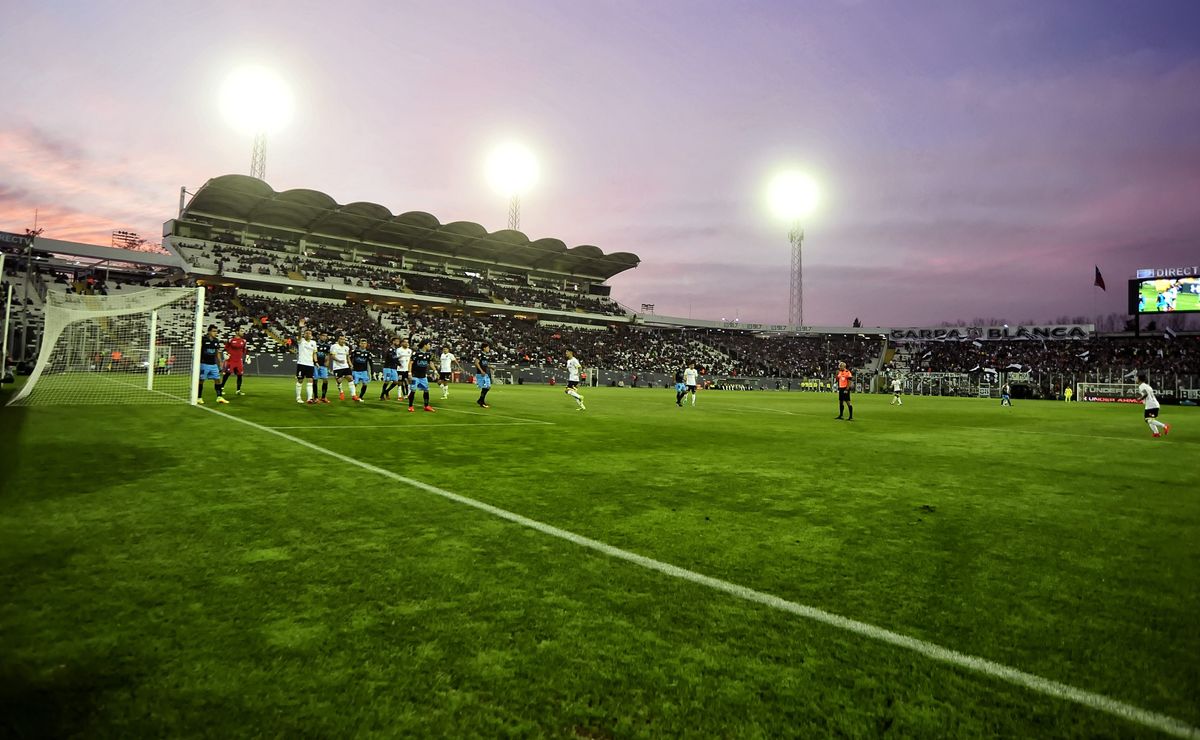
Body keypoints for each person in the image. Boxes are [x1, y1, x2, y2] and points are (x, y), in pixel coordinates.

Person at [198, 325, 229, 404]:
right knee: (201, 380)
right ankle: (199, 397)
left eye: (216, 331)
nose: (215, 333)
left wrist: (220, 362)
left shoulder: (216, 340)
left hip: (213, 364)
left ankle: (219, 397)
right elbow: (199, 350)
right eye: (213, 331)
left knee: (217, 379)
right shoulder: (203, 339)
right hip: (204, 363)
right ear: (209, 332)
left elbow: (217, 352)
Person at [407, 338, 436, 412]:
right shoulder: (416, 353)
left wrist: (435, 371)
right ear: (425, 345)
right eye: (429, 344)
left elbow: (431, 363)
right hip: (415, 375)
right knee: (413, 390)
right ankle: (410, 406)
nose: (430, 346)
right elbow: (410, 363)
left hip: (423, 376)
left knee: (426, 390)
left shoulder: (429, 354)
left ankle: (426, 406)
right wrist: (409, 373)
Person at [294, 320, 319, 404]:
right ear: (304, 334)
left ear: (311, 335)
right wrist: (300, 328)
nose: (308, 334)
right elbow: (299, 335)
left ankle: (309, 398)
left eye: (309, 333)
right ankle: (298, 397)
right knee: (300, 380)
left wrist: (316, 362)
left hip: (310, 364)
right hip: (301, 363)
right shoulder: (301, 341)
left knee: (310, 380)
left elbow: (314, 353)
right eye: (306, 333)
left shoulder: (313, 343)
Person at [220, 326, 248, 396]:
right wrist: (225, 354)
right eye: (241, 331)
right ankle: (221, 388)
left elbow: (245, 350)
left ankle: (238, 390)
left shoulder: (244, 341)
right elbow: (225, 348)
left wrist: (247, 356)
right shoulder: (230, 340)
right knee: (227, 374)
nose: (243, 332)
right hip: (231, 360)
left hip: (239, 361)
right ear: (237, 332)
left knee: (240, 375)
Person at [328, 334, 352, 401]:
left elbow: (347, 357)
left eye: (343, 339)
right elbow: (332, 356)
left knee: (350, 378)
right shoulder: (334, 346)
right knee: (339, 380)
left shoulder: (346, 348)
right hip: (337, 367)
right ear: (338, 339)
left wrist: (350, 364)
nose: (342, 340)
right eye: (341, 339)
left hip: (345, 366)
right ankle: (341, 392)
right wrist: (339, 361)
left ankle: (354, 395)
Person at [314, 331, 332, 403]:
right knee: (315, 380)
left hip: (323, 365)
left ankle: (323, 397)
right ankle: (315, 397)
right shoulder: (315, 344)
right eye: (323, 335)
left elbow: (327, 354)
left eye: (326, 336)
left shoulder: (327, 346)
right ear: (320, 336)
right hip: (315, 364)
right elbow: (313, 353)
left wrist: (327, 361)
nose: (325, 337)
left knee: (325, 380)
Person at [475, 341, 493, 408]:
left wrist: (490, 367)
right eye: (488, 347)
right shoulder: (480, 354)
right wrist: (481, 371)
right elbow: (476, 362)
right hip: (481, 373)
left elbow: (484, 364)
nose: (489, 349)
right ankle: (481, 402)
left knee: (487, 387)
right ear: (484, 348)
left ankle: (480, 400)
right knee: (486, 387)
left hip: (485, 373)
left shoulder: (486, 355)